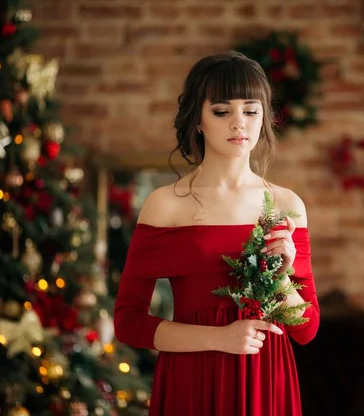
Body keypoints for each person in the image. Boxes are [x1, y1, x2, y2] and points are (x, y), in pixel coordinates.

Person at [113, 51, 320, 416]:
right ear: (198, 120)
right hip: (191, 378)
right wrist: (220, 340)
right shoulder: (165, 205)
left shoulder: (287, 205)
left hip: (266, 378)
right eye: (222, 111)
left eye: (251, 111)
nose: (239, 124)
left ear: (264, 119)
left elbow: (306, 329)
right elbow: (129, 322)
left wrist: (285, 276)